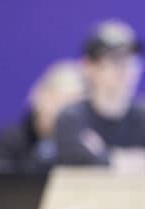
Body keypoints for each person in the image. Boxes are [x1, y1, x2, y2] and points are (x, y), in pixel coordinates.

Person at [54, 20, 145, 166]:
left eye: (131, 59)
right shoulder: (73, 118)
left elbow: (99, 161)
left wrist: (105, 155)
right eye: (115, 59)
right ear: (89, 67)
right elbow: (82, 166)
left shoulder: (142, 116)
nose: (126, 68)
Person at [0, 61, 86, 170]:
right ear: (40, 95)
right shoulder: (9, 140)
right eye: (56, 100)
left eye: (71, 106)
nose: (62, 111)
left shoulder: (79, 146)